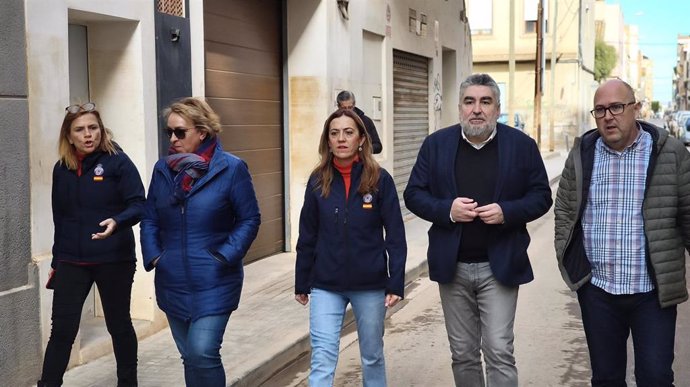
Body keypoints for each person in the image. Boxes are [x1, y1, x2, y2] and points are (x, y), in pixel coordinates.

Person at [403, 73, 552, 386]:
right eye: (469, 101)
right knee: (463, 352)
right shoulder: (436, 145)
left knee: (499, 348)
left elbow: (541, 197)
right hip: (453, 267)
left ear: (497, 109)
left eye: (485, 102)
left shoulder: (521, 146)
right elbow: (414, 194)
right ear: (459, 108)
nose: (477, 109)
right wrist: (447, 210)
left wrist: (506, 212)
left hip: (498, 266)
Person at [554, 79, 690, 386]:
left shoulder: (670, 153)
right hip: (598, 291)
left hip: (651, 293)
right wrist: (576, 269)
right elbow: (564, 210)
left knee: (655, 377)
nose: (608, 116)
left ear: (636, 109)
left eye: (617, 107)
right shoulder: (583, 155)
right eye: (600, 110)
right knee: (606, 378)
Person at [140, 97, 261, 387]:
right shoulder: (162, 170)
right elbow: (150, 219)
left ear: (202, 132)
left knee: (203, 352)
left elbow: (249, 219)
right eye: (169, 132)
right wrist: (157, 257)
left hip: (215, 279)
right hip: (172, 280)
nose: (172, 139)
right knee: (189, 357)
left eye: (180, 132)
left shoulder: (231, 168)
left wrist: (222, 256)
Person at [294, 108, 407, 387]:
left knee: (371, 356)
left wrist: (395, 282)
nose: (341, 139)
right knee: (322, 356)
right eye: (334, 133)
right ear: (327, 140)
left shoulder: (380, 180)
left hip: (369, 284)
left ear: (360, 139)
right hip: (325, 283)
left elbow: (395, 235)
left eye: (348, 132)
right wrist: (301, 281)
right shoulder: (317, 180)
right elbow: (307, 234)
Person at [39, 102, 145, 387]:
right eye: (80, 130)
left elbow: (139, 204)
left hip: (114, 259)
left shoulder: (117, 162)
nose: (88, 135)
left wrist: (117, 221)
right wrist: (56, 264)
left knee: (118, 324)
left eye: (93, 128)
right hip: (72, 260)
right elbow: (59, 219)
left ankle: (127, 383)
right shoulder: (61, 169)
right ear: (69, 136)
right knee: (62, 330)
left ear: (101, 129)